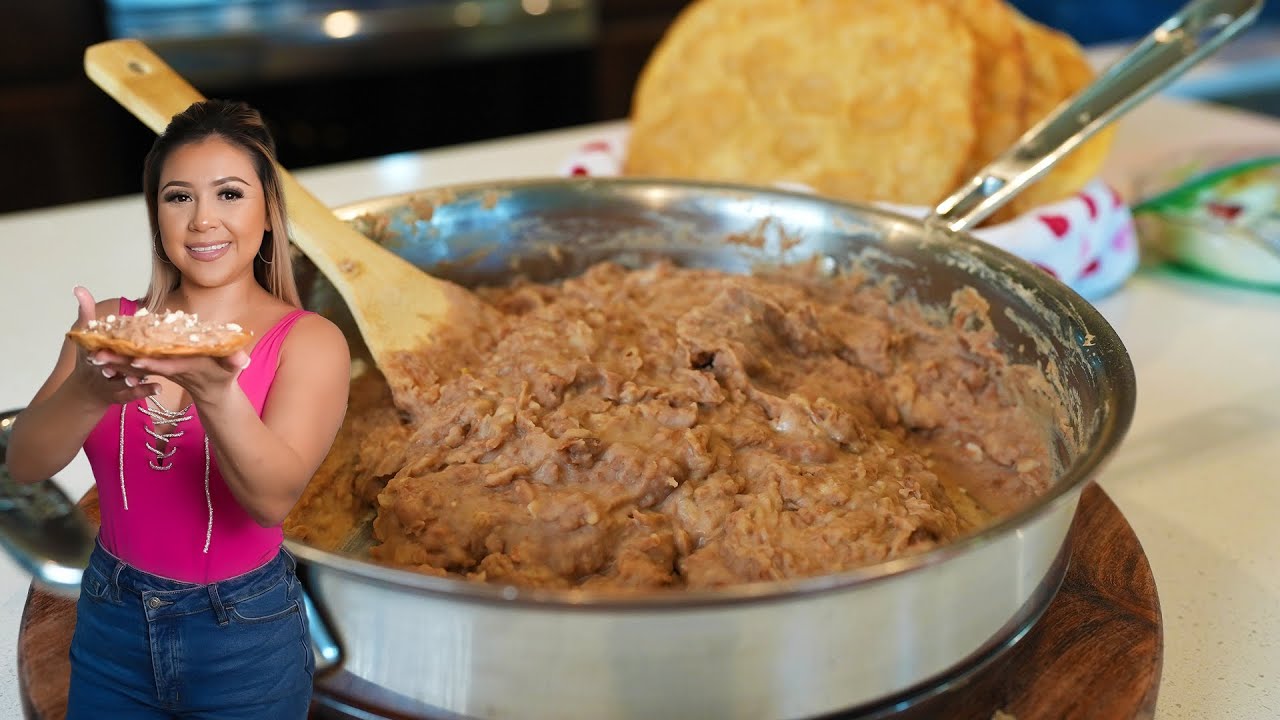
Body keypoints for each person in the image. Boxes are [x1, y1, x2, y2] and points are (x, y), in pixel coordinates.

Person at [6, 98, 351, 719]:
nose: (202, 221)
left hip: (244, 632)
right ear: (156, 218)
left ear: (269, 215)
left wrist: (217, 394)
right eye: (178, 197)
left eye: (229, 194)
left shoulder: (310, 342)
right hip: (111, 616)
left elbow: (272, 499)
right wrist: (87, 391)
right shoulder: (110, 326)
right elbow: (26, 465)